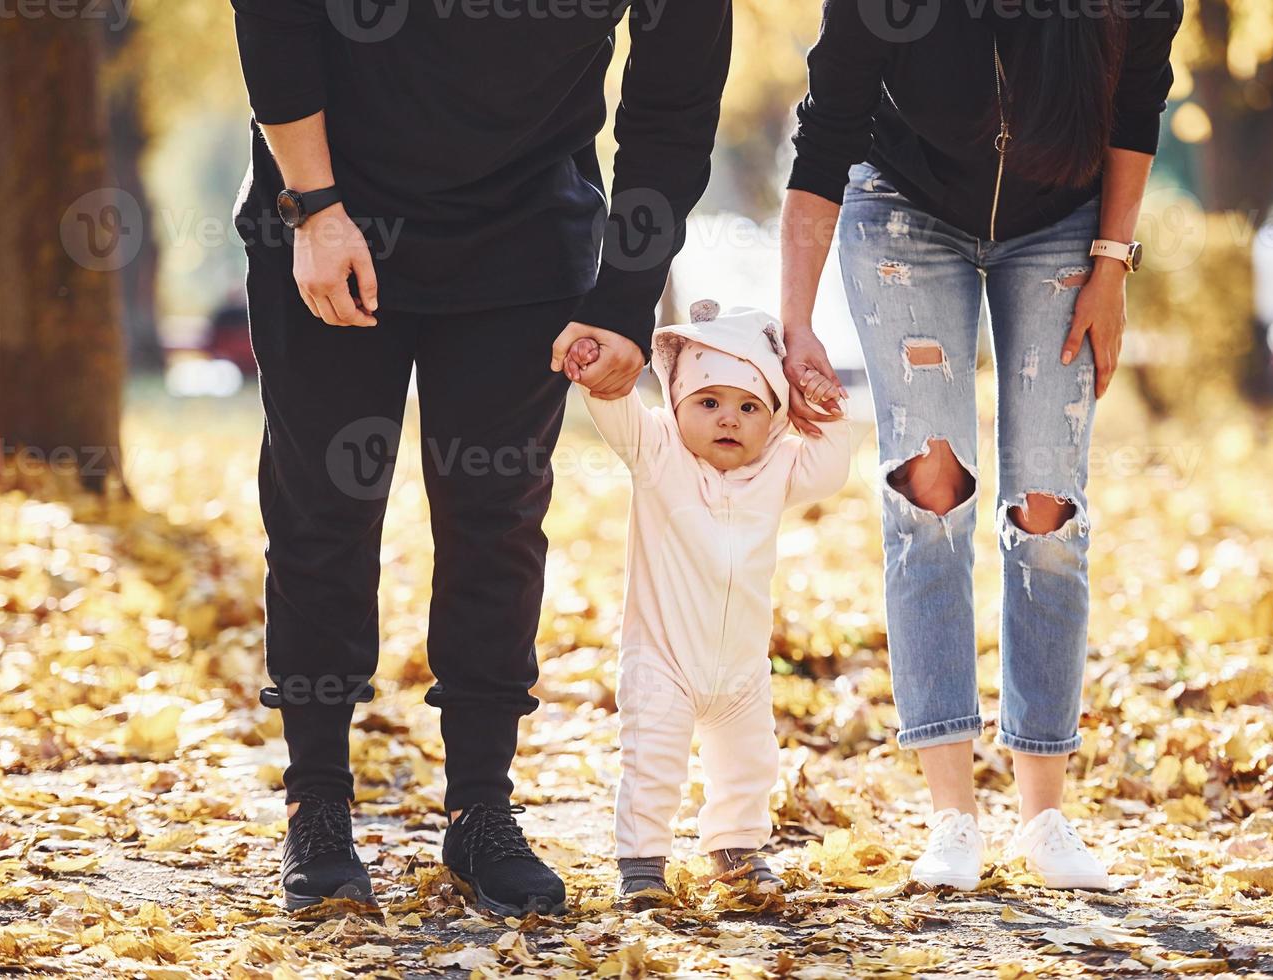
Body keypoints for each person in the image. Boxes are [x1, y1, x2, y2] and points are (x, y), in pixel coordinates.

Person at [228, 0, 733, 914]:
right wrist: (311, 204)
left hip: (524, 234)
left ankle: (480, 808)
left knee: (495, 517)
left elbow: (674, 106)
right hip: (330, 208)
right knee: (321, 512)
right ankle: (319, 803)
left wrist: (625, 300)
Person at [778, 0, 1184, 890]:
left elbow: (1134, 105)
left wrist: (1111, 264)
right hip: (903, 216)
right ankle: (951, 817)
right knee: (929, 493)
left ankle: (1044, 817)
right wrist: (796, 319)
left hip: (1063, 225)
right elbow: (827, 129)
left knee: (1047, 511)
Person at [561, 301, 852, 899]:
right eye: (709, 403)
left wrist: (819, 405)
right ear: (675, 405)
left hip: (742, 669)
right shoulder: (658, 454)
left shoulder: (775, 470)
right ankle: (642, 863)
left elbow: (828, 469)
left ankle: (736, 848)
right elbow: (617, 409)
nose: (729, 420)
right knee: (653, 767)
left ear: (773, 420)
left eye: (751, 407)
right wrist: (596, 367)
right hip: (662, 661)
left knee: (749, 764)